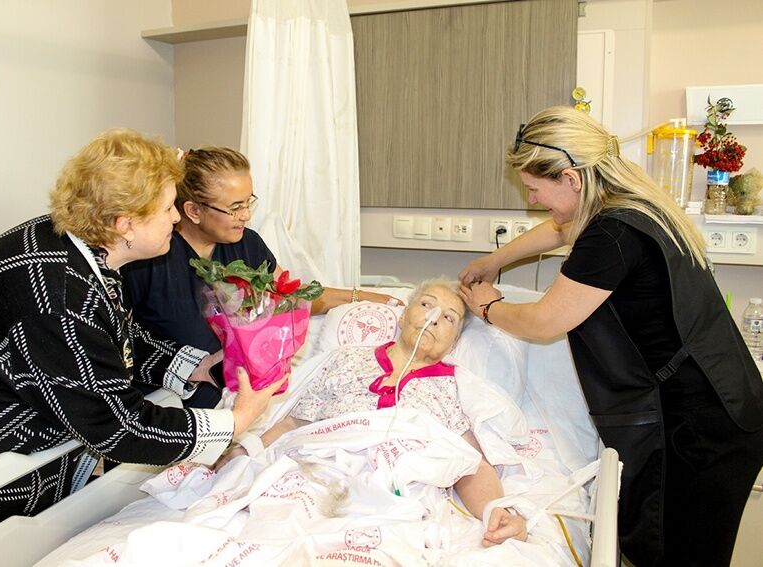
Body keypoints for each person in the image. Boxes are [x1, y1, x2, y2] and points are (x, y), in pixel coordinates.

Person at [0, 129, 284, 566]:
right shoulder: (57, 297)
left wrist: (192, 366)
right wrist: (236, 420)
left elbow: (105, 343)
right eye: (168, 208)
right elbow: (118, 425)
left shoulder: (73, 249)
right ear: (125, 223)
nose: (175, 219)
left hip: (23, 453)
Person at [457, 106, 763, 566]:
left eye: (535, 189)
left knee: (677, 553)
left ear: (571, 178)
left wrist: (487, 306)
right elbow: (557, 228)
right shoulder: (630, 204)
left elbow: (544, 321)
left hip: (700, 430)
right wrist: (494, 260)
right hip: (723, 407)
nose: (534, 199)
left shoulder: (612, 234)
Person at [219, 279, 528, 548]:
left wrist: (496, 511)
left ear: (454, 341)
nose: (433, 319)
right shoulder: (346, 360)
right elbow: (294, 424)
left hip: (398, 494)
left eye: (449, 317)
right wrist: (246, 450)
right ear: (404, 316)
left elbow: (471, 463)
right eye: (426, 304)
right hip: (318, 476)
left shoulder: (452, 386)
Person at [122, 146, 402, 407]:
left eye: (248, 202)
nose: (245, 215)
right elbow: (123, 345)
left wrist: (363, 297)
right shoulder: (148, 260)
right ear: (193, 210)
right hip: (167, 401)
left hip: (239, 396)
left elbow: (292, 295)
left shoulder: (247, 244)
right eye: (234, 207)